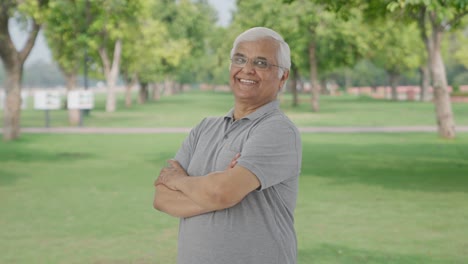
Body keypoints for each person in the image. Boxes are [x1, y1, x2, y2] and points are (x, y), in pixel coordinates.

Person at [153, 27, 302, 264]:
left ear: (283, 76)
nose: (247, 69)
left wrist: (179, 182)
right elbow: (161, 199)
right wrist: (221, 194)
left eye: (261, 63)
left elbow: (220, 193)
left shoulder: (277, 130)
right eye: (240, 59)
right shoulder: (204, 128)